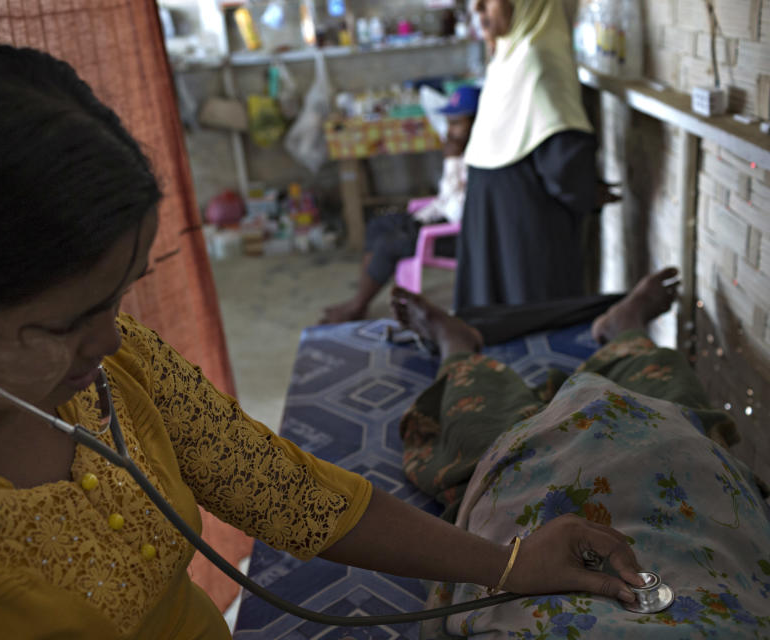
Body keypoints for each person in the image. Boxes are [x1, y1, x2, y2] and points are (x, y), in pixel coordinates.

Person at [0, 9, 645, 639]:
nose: (109, 343)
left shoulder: (110, 364)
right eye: (65, 323)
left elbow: (288, 494)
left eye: (119, 298)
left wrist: (510, 563)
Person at [390, 271, 770, 636]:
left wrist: (510, 565)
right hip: (676, 461)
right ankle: (626, 331)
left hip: (526, 477)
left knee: (476, 425)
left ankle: (458, 349)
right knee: (674, 400)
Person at [455, 0, 599, 310]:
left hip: (497, 216)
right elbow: (564, 167)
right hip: (523, 226)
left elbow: (554, 145)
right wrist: (590, 192)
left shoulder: (528, 58)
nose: (478, 8)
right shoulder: (522, 55)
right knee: (531, 320)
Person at [319, 85, 480, 324]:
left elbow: (458, 213)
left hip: (459, 236)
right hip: (437, 218)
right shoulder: (460, 149)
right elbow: (446, 199)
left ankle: (357, 306)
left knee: (390, 243)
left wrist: (452, 160)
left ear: (476, 123)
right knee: (377, 225)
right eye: (449, 122)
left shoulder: (479, 157)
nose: (450, 131)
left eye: (457, 123)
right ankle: (359, 301)